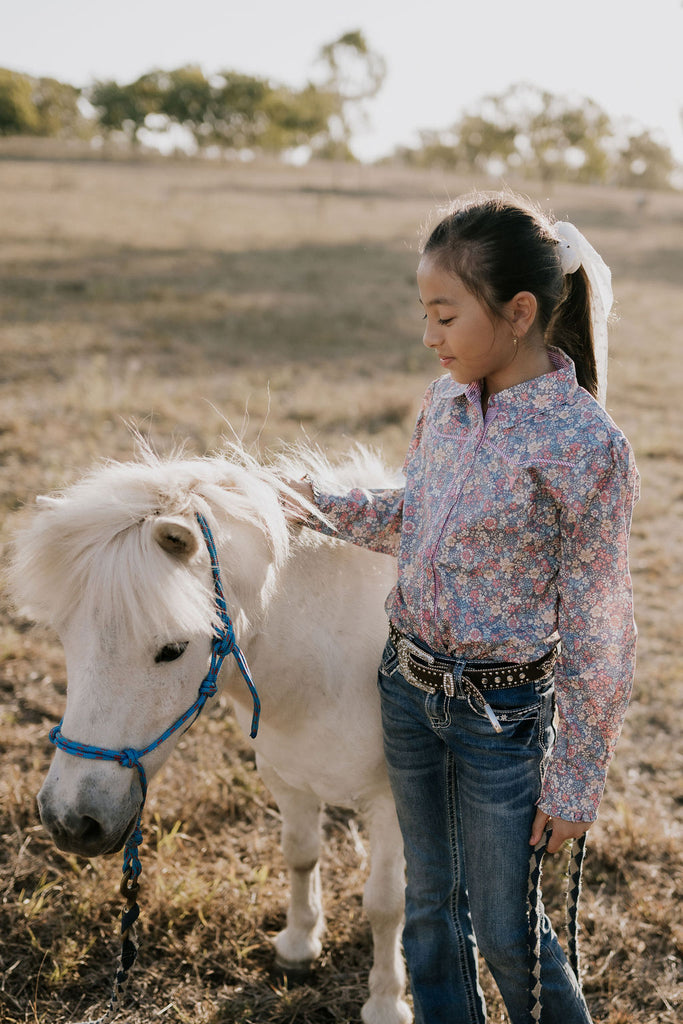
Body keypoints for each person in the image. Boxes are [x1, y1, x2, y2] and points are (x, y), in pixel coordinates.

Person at [284, 191, 638, 1024]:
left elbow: (599, 625)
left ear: (518, 313)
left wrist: (576, 776)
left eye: (444, 314)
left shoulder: (585, 446)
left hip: (501, 721)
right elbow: (412, 517)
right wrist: (314, 502)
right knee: (429, 912)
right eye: (424, 313)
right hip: (407, 692)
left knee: (506, 929)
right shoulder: (442, 403)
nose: (428, 335)